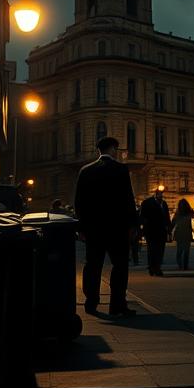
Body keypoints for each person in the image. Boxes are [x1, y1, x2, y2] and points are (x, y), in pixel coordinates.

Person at [74, 136, 139, 318]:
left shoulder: (85, 170)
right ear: (113, 149)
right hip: (117, 228)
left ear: (99, 150)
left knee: (92, 265)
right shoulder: (121, 169)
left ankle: (91, 302)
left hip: (94, 229)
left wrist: (81, 228)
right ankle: (117, 305)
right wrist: (133, 225)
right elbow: (128, 199)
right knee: (120, 266)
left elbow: (79, 202)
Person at [139, 188, 171, 276]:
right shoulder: (147, 203)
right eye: (160, 193)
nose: (161, 195)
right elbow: (142, 216)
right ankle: (152, 267)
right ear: (156, 194)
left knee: (160, 250)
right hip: (151, 231)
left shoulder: (163, 203)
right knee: (152, 250)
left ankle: (157, 267)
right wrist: (143, 228)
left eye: (162, 193)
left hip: (161, 231)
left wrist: (169, 229)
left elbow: (167, 217)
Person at [172, 199, 194, 270]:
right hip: (186, 233)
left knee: (180, 250)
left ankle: (181, 265)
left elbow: (173, 223)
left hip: (180, 233)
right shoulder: (188, 213)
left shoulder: (177, 214)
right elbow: (193, 215)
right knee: (186, 250)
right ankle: (185, 265)